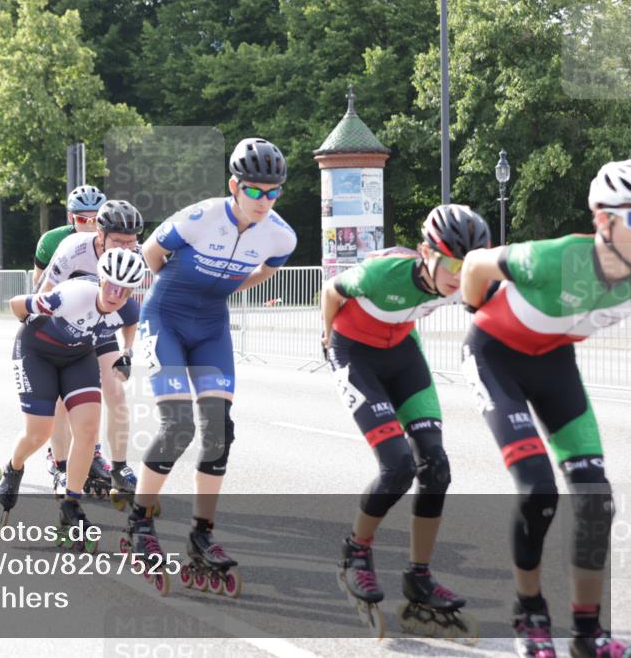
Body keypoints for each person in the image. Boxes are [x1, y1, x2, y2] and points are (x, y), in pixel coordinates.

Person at [459, 160, 631, 658]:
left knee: (596, 499)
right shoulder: (557, 259)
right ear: (603, 220)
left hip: (553, 360)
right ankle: (529, 612)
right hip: (496, 355)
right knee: (538, 489)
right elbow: (474, 265)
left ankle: (585, 632)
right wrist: (475, 310)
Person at [126, 138, 296, 596]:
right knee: (178, 424)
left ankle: (202, 533)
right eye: (255, 191)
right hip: (166, 318)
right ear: (234, 186)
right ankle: (140, 521)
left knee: (219, 428)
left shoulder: (280, 234)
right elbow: (151, 255)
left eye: (273, 191)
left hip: (211, 327)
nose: (264, 200)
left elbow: (270, 268)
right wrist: (178, 289)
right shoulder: (200, 217)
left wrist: (228, 288)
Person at [321, 204, 490, 638]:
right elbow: (331, 292)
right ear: (424, 252)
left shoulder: (468, 278)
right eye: (450, 262)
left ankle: (419, 576)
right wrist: (326, 339)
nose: (458, 274)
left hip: (402, 354)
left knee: (435, 468)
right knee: (396, 467)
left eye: (467, 264)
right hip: (355, 353)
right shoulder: (383, 274)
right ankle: (354, 553)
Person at [0, 248, 146, 547]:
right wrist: (31, 324)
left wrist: (127, 352)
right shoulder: (73, 295)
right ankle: (14, 466)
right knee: (40, 432)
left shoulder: (127, 306)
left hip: (77, 357)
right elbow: (15, 305)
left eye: (125, 289)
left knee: (88, 431)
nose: (116, 294)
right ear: (101, 279)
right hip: (37, 352)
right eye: (112, 285)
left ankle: (71, 506)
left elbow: (132, 322)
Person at [39, 200, 144, 503]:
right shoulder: (74, 249)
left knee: (117, 393)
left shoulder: (134, 254)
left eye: (132, 241)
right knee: (61, 400)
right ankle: (60, 466)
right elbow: (45, 294)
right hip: (63, 327)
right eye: (119, 241)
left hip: (101, 325)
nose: (127, 248)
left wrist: (128, 351)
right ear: (100, 234)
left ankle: (119, 468)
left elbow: (128, 305)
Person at [32, 185, 107, 288]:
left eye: (95, 219)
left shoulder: (113, 240)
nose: (90, 225)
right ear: (71, 218)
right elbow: (38, 283)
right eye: (82, 219)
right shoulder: (50, 241)